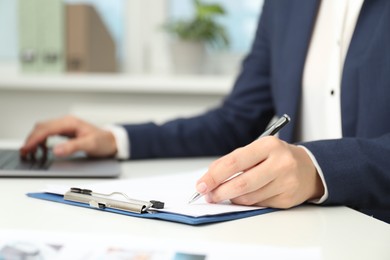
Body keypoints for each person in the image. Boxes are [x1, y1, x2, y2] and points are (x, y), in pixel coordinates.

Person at [20, 0, 390, 223]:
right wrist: (116, 139)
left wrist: (317, 166)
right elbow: (236, 119)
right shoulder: (286, 6)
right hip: (301, 230)